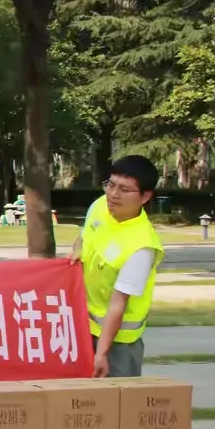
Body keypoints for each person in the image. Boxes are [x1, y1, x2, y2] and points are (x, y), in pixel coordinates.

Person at [72, 155, 164, 378]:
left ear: (145, 196)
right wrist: (77, 249)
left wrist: (102, 353)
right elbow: (84, 237)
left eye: (124, 189)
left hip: (118, 344)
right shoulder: (99, 207)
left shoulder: (142, 246)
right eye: (110, 184)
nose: (113, 194)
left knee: (119, 406)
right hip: (82, 329)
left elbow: (117, 305)